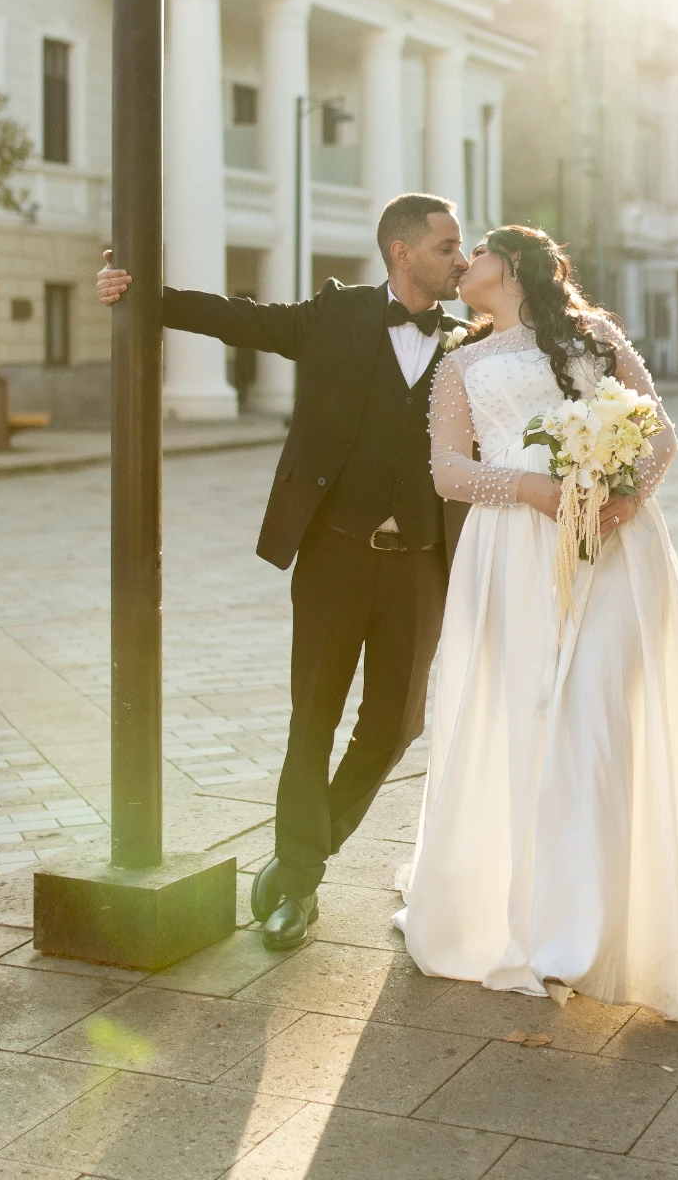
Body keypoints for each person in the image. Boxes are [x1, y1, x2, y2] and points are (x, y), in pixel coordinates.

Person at [398, 225, 678, 1022]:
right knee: (525, 721)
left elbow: (660, 436)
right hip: (509, 553)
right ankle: (537, 919)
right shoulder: (459, 363)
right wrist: (532, 491)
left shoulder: (594, 338)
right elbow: (447, 472)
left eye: (479, 252)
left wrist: (621, 500)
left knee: (597, 715)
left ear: (513, 265)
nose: (464, 262)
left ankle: (605, 927)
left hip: (611, 545)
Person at [96, 193, 470, 951]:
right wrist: (140, 293)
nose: (460, 261)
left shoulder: (470, 344)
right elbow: (240, 319)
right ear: (402, 252)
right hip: (334, 557)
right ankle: (296, 889)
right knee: (313, 720)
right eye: (447, 248)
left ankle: (298, 859)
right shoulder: (336, 316)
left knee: (395, 727)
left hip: (422, 568)